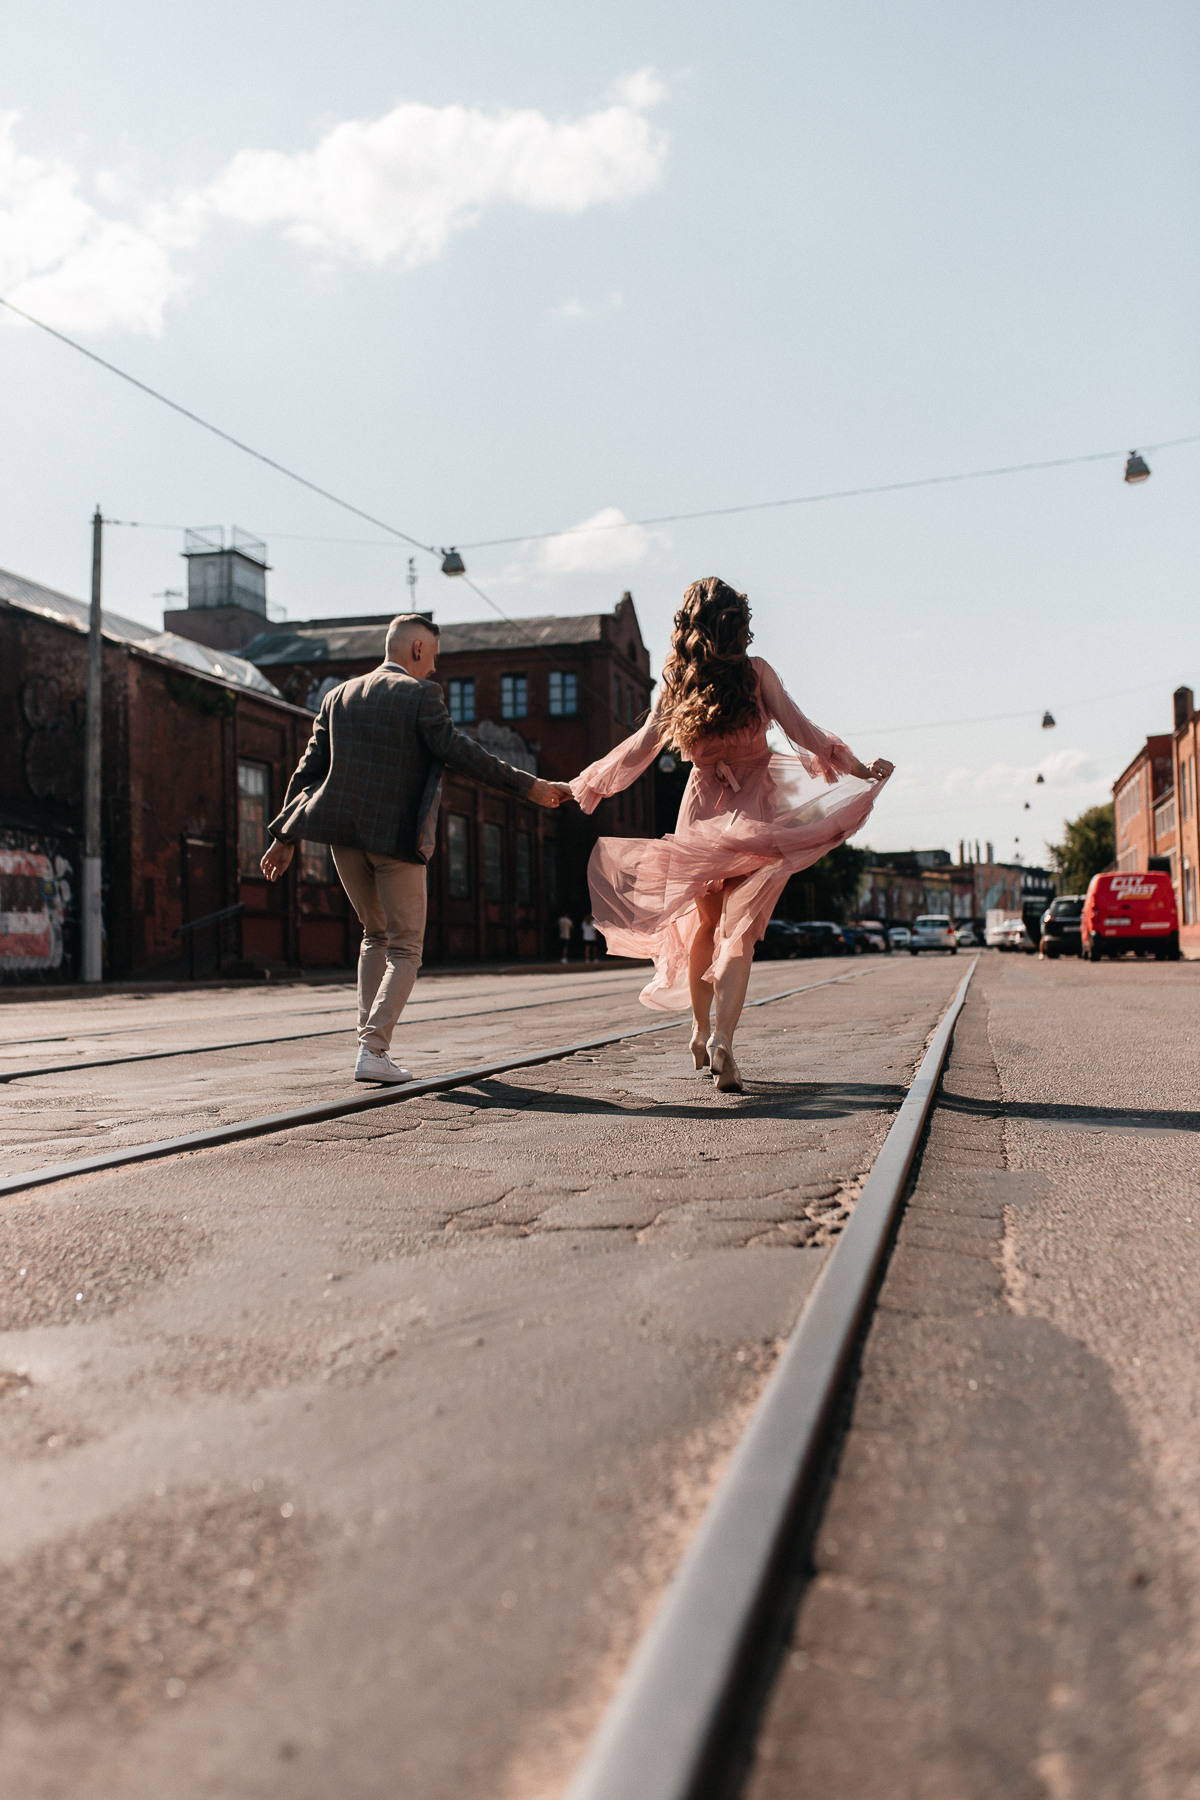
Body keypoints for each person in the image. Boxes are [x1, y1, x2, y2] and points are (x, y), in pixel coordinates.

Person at [569, 578, 893, 1093]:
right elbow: (803, 732)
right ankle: (724, 1040)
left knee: (705, 926)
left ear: (688, 626)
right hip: (755, 817)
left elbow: (640, 748)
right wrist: (857, 767)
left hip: (700, 812)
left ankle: (698, 1031)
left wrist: (585, 783)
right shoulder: (756, 673)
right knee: (739, 933)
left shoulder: (677, 682)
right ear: (738, 623)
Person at [261, 614, 571, 1084]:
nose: (435, 671)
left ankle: (369, 1048)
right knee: (406, 947)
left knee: (374, 936)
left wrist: (284, 838)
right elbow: (462, 752)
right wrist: (529, 787)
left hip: (343, 839)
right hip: (397, 839)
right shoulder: (420, 695)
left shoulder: (336, 697)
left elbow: (307, 774)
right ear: (420, 650)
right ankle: (373, 1048)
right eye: (435, 660)